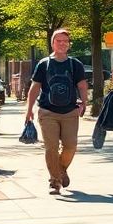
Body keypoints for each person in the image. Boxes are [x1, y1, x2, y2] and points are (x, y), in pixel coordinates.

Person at [25, 29, 89, 195]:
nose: (62, 44)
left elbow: (82, 85)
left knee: (71, 146)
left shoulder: (75, 64)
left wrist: (84, 101)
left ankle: (61, 169)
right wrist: (29, 110)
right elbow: (35, 87)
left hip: (70, 113)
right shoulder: (44, 64)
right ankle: (55, 181)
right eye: (58, 41)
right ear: (52, 43)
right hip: (47, 112)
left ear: (69, 44)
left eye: (65, 41)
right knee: (51, 148)